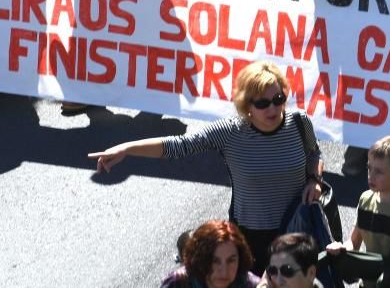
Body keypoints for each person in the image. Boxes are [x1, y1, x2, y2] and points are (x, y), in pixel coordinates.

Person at [89, 61, 324, 273]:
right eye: (263, 103)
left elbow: (315, 154)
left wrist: (314, 179)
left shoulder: (299, 123)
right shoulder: (230, 132)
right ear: (246, 104)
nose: (273, 109)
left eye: (279, 99)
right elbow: (178, 145)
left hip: (297, 229)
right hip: (252, 237)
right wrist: (127, 149)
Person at [327, 136, 390, 287]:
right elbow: (354, 242)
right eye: (369, 168)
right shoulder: (365, 200)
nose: (370, 176)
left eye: (379, 171)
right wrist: (341, 249)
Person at [161, 220, 261, 288]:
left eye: (231, 260)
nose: (224, 271)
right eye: (215, 261)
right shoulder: (178, 283)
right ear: (200, 258)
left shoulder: (252, 285)